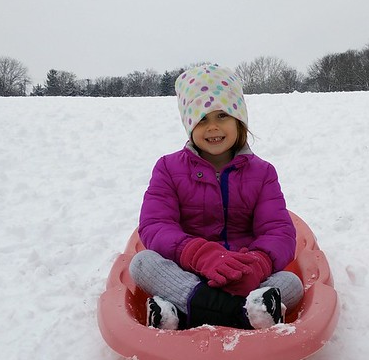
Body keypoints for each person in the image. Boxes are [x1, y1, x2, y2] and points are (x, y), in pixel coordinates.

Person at [129, 63, 304, 330]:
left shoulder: (263, 172)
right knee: (142, 263)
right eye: (202, 118)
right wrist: (199, 254)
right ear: (189, 124)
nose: (212, 127)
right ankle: (245, 315)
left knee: (292, 284)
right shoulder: (168, 168)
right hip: (187, 272)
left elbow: (278, 230)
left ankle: (182, 313)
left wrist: (257, 264)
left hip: (244, 276)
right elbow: (155, 225)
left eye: (222, 116)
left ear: (239, 120)